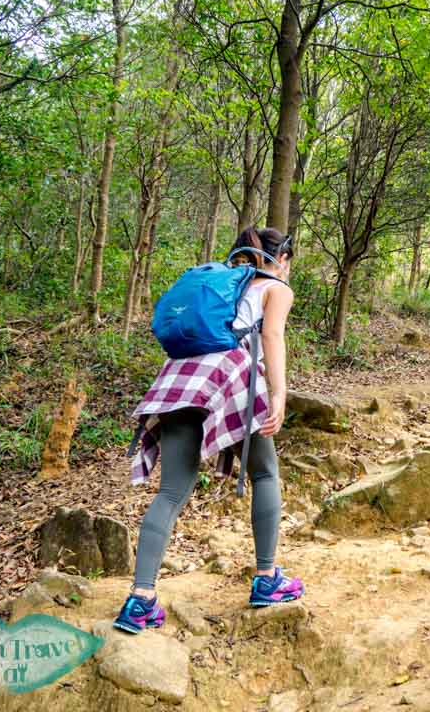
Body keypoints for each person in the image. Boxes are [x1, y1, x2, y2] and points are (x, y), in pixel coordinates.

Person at [114, 226, 303, 634]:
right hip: (230, 377)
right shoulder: (275, 288)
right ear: (282, 259)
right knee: (265, 472)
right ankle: (268, 578)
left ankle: (140, 599)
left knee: (170, 492)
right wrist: (279, 393)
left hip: (180, 379)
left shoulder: (223, 282)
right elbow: (271, 335)